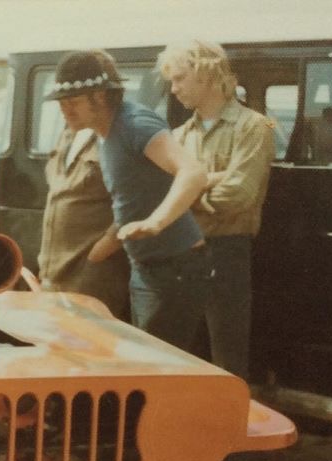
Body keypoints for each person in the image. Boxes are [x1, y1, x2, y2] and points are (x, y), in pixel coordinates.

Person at [48, 50, 210, 351]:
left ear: (99, 96)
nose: (64, 110)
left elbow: (193, 172)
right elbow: (131, 198)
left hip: (174, 268)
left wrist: (156, 222)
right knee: (144, 362)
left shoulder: (135, 124)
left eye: (72, 102)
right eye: (61, 103)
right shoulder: (103, 133)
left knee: (158, 367)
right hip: (146, 267)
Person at [158, 40, 276, 380]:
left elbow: (240, 194)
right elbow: (162, 193)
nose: (174, 89)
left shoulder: (254, 127)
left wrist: (186, 195)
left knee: (227, 357)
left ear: (208, 74)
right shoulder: (179, 135)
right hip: (183, 253)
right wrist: (209, 181)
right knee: (178, 353)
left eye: (180, 78)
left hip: (226, 252)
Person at [38, 126, 130, 320]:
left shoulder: (116, 136)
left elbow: (135, 202)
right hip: (55, 272)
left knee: (88, 344)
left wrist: (101, 250)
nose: (65, 107)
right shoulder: (67, 133)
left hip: (90, 273)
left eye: (73, 100)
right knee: (55, 342)